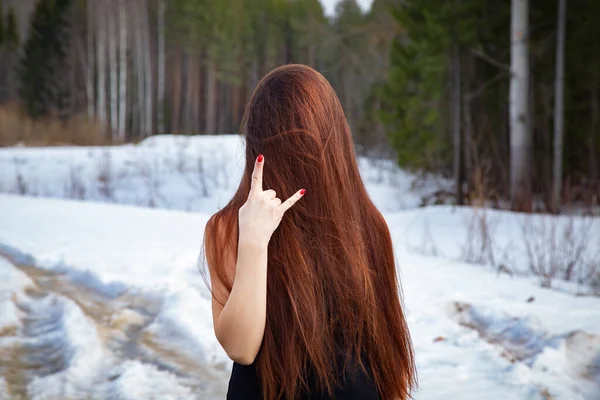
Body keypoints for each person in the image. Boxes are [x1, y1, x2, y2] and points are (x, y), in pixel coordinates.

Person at [202, 64, 416, 400]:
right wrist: (255, 242)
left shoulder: (368, 225)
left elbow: (385, 355)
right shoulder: (230, 226)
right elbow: (241, 348)